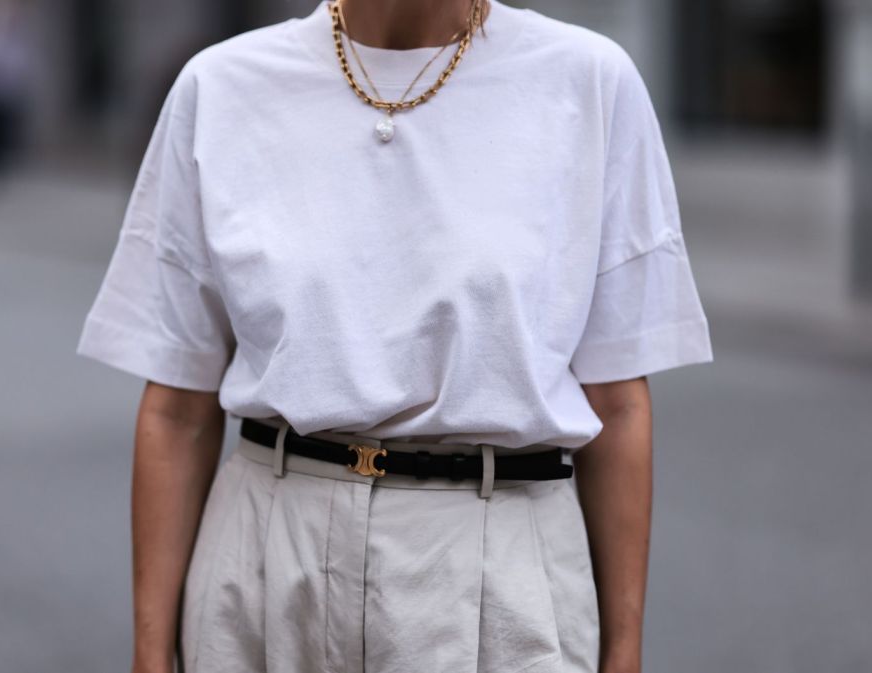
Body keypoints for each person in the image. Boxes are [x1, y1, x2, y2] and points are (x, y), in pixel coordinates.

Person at [75, 1, 714, 672]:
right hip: (264, 556)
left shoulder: (587, 83)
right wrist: (151, 653)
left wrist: (624, 651)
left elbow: (619, 403)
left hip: (499, 562)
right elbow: (178, 406)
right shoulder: (222, 88)